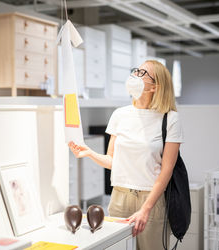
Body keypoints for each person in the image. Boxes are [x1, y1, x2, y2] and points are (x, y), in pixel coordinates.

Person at [68, 60, 184, 250]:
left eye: (143, 73)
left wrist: (145, 209)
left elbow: (167, 170)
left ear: (155, 87)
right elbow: (112, 161)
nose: (135, 75)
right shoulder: (120, 114)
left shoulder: (170, 119)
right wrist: (89, 153)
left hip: (152, 201)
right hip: (119, 198)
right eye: (136, 71)